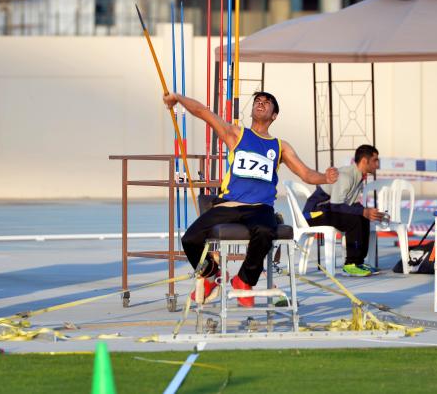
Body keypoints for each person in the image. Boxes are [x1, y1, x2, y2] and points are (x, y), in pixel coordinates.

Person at [163, 90, 338, 307]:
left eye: (267, 102)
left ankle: (244, 281)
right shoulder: (237, 134)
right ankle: (212, 276)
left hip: (259, 207)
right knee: (189, 239)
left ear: (274, 115)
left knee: (265, 230)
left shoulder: (280, 146)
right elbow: (203, 112)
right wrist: (178, 98)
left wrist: (325, 178)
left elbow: (305, 173)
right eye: (257, 101)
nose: (261, 104)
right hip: (230, 204)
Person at [302, 145, 384, 277]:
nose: (377, 164)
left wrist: (369, 212)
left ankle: (358, 262)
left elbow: (352, 205)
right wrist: (362, 212)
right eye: (375, 160)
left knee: (363, 217)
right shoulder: (346, 176)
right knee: (354, 219)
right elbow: (336, 205)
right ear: (364, 161)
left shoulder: (358, 177)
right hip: (313, 214)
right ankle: (350, 264)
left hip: (328, 210)